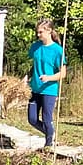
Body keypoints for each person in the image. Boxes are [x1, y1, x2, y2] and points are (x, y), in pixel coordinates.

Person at [27, 19, 66, 148]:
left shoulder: (57, 50)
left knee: (46, 119)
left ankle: (48, 145)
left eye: (40, 32)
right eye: (37, 32)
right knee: (32, 119)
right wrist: (26, 77)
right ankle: (50, 133)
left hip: (49, 90)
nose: (38, 35)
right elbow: (34, 66)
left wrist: (49, 78)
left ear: (49, 31)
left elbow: (62, 73)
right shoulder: (35, 47)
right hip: (35, 89)